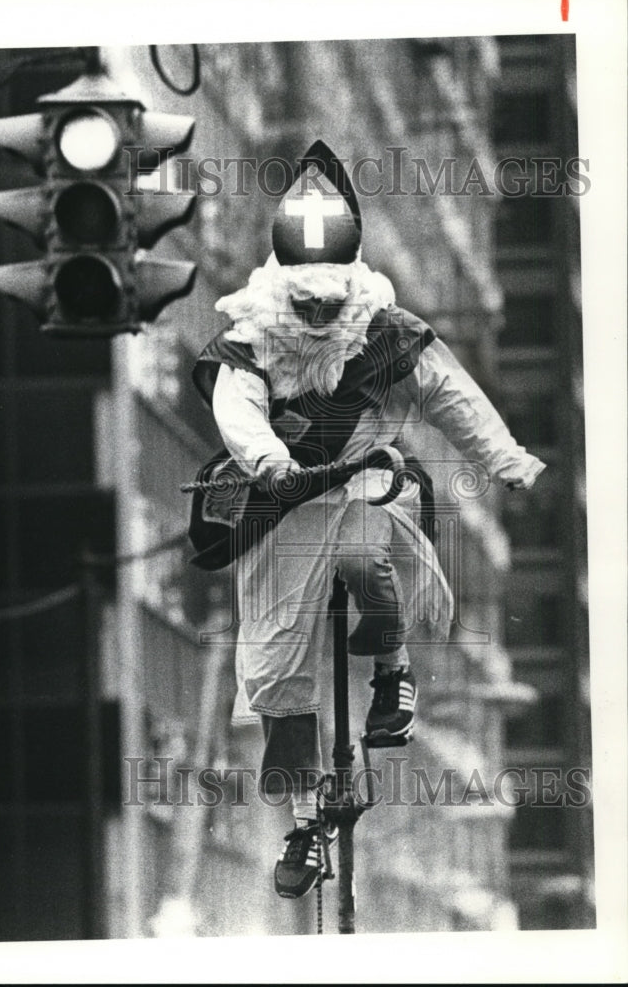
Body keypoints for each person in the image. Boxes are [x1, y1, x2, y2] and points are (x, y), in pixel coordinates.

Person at [189, 141, 545, 899]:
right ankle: (302, 822)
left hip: (367, 489)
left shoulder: (388, 337)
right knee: (273, 677)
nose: (317, 319)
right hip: (282, 506)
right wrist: (269, 464)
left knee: (363, 551)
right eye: (305, 305)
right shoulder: (247, 342)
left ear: (347, 291)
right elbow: (237, 411)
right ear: (283, 291)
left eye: (327, 305)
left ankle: (392, 677)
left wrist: (505, 458)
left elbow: (452, 397)